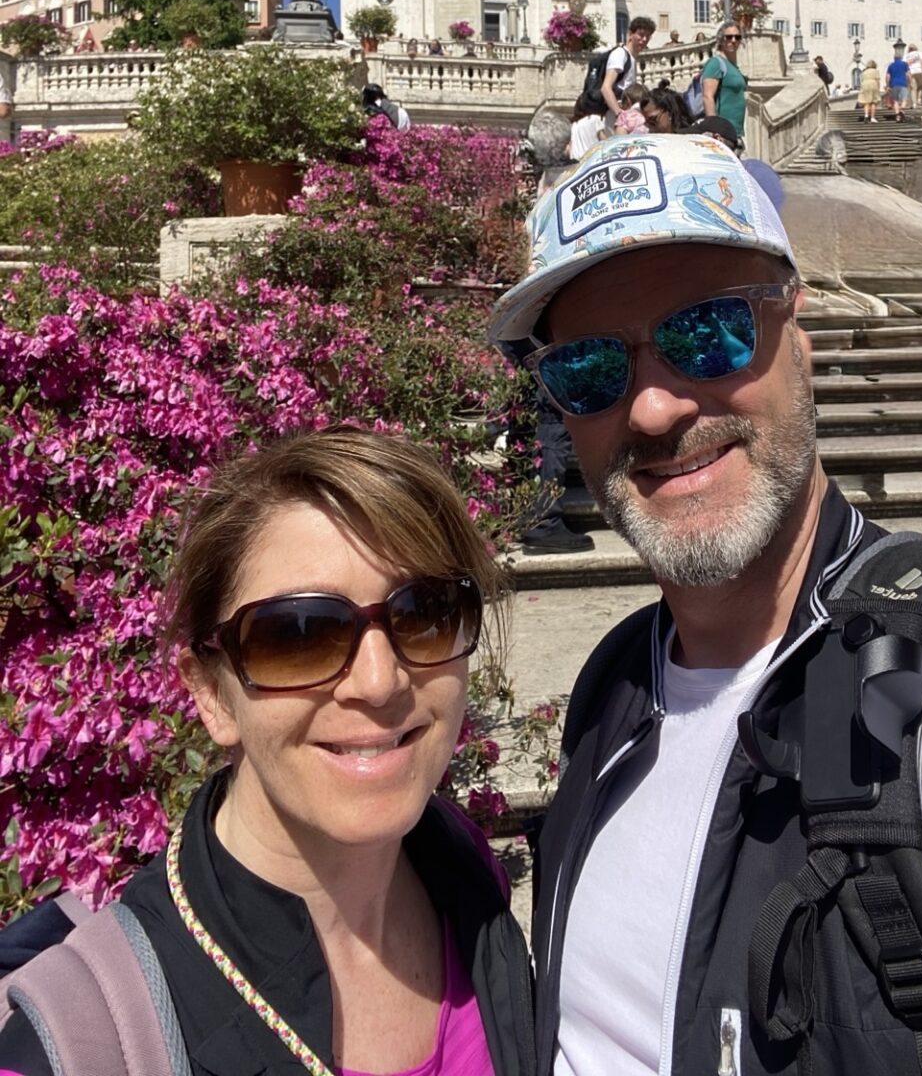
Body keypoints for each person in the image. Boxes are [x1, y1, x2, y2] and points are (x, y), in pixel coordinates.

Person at [489, 132, 922, 1076]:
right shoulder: (614, 687)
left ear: (800, 333)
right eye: (592, 370)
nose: (651, 409)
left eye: (706, 333)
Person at [0, 425, 533, 1076]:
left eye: (425, 614)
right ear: (213, 695)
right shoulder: (75, 1043)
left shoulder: (466, 874)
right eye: (298, 635)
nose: (380, 682)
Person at [601, 17, 654, 133]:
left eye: (648, 36)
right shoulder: (620, 54)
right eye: (641, 35)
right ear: (630, 34)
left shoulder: (631, 57)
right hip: (616, 114)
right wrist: (619, 114)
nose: (644, 39)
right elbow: (606, 88)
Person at [700, 22, 749, 136]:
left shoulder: (734, 67)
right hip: (721, 133)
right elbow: (707, 96)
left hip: (735, 132)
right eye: (729, 37)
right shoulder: (716, 63)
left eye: (737, 37)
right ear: (721, 40)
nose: (733, 40)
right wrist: (714, 129)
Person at [566, 91, 604, 161]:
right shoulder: (594, 119)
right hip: (591, 160)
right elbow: (604, 141)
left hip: (575, 162)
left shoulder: (573, 125)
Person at [885, 44, 910, 120]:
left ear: (894, 58)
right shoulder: (904, 64)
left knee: (895, 101)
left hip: (893, 84)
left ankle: (897, 116)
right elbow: (908, 74)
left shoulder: (891, 65)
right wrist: (909, 82)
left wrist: (888, 85)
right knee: (904, 99)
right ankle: (901, 111)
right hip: (903, 84)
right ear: (901, 58)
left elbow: (887, 76)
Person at [858, 57, 881, 122]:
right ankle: (872, 117)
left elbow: (861, 80)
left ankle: (866, 116)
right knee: (873, 101)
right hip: (873, 84)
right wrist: (878, 88)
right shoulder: (876, 71)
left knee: (866, 102)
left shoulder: (864, 72)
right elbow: (877, 80)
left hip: (865, 85)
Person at [904, 43, 922, 108]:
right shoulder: (919, 53)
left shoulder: (906, 55)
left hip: (911, 72)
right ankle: (919, 99)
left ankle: (914, 103)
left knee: (913, 88)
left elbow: (905, 65)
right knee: (921, 86)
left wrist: (906, 73)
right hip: (919, 70)